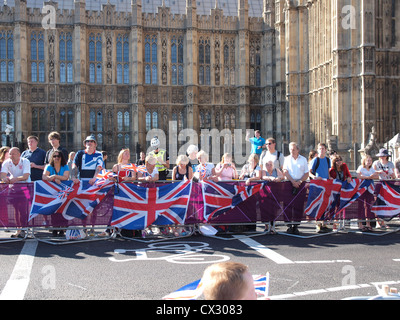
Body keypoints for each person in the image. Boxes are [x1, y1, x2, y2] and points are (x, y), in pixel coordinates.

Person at [0, 147, 31, 238]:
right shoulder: (7, 162)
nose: (11, 156)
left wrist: (16, 179)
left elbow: (25, 176)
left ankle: (24, 229)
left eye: (13, 154)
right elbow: (2, 174)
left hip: (25, 186)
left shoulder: (25, 161)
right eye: (10, 154)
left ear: (19, 154)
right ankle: (18, 229)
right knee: (15, 209)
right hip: (14, 187)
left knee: (23, 209)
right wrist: (4, 178)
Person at [282, 142, 309, 235]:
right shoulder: (286, 159)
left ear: (298, 150)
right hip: (289, 183)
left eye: (293, 150)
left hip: (300, 184)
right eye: (290, 150)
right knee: (287, 205)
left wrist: (300, 182)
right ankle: (289, 225)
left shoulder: (303, 159)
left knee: (299, 205)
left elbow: (306, 173)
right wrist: (293, 182)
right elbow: (285, 171)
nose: (291, 151)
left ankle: (296, 225)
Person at [308, 143, 332, 233]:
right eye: (320, 149)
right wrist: (314, 177)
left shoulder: (328, 160)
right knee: (318, 204)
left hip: (326, 185)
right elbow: (309, 172)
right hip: (318, 185)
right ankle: (318, 224)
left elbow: (327, 172)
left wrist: (330, 178)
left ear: (325, 150)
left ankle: (324, 223)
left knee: (325, 203)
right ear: (318, 150)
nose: (321, 150)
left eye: (323, 148)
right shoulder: (315, 160)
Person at [356, 155, 380, 231]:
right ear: (364, 161)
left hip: (369, 189)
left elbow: (377, 176)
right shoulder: (361, 167)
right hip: (362, 188)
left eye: (370, 160)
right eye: (368, 160)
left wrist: (371, 176)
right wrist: (368, 177)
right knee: (360, 205)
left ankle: (368, 223)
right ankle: (360, 223)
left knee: (368, 205)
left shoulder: (372, 168)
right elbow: (358, 176)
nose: (369, 162)